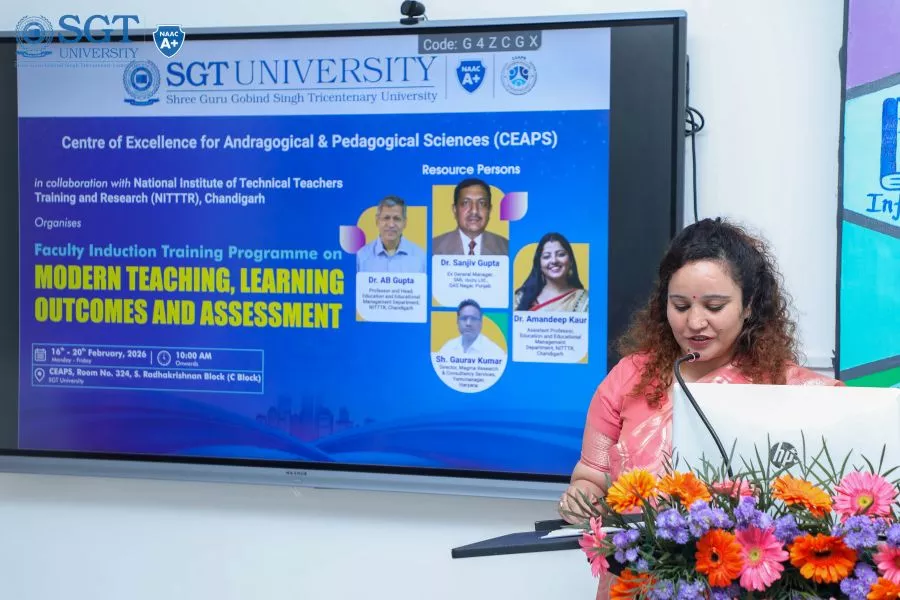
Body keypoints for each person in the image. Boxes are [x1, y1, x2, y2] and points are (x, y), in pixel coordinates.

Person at [558, 218, 842, 597]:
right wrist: (581, 500)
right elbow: (590, 479)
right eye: (680, 306)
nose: (694, 322)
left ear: (748, 306)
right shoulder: (628, 378)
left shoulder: (786, 387)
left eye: (714, 306)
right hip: (636, 585)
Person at [432, 178, 509, 255]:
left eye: (482, 203)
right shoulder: (433, 248)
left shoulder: (506, 248)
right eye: (465, 203)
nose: (474, 210)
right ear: (455, 210)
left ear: (489, 210)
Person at [514, 232, 588, 312]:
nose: (554, 261)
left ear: (571, 260)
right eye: (546, 256)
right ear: (539, 264)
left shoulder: (584, 301)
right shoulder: (521, 298)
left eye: (561, 254)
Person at [356, 196, 427, 273]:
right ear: (377, 221)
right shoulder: (361, 257)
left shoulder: (420, 257)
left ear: (405, 222)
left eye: (397, 219)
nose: (391, 225)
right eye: (386, 218)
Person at [438, 299, 505, 357]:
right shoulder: (447, 348)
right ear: (457, 321)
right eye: (464, 318)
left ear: (481, 323)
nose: (468, 323)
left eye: (473, 319)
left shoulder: (495, 352)